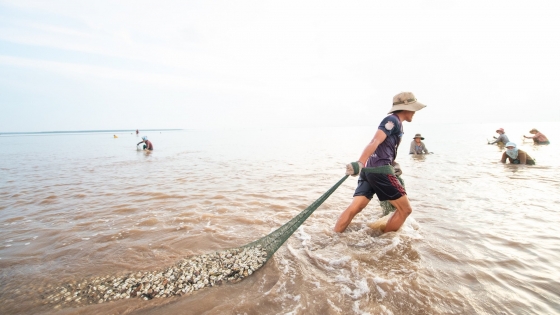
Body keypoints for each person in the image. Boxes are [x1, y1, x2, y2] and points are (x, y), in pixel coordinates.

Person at [334, 91, 427, 234]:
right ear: (406, 107)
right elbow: (375, 141)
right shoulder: (392, 120)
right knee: (405, 210)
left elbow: (384, 148)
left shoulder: (398, 124)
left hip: (370, 171)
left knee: (356, 207)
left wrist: (394, 164)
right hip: (380, 171)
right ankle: (385, 243)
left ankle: (334, 236)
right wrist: (360, 162)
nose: (415, 112)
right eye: (413, 108)